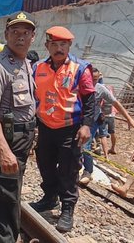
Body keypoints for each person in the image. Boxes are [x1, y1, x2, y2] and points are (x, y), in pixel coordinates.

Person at [0, 12, 37, 243]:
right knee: (7, 200)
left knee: (0, 196)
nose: (20, 37)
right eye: (15, 32)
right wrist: (4, 149)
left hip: (20, 139)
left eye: (25, 33)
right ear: (6, 35)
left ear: (33, 36)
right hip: (6, 139)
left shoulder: (25, 64)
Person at [31, 26, 95, 232]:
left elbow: (90, 100)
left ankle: (68, 208)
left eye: (63, 45)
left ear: (69, 45)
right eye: (54, 45)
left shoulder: (80, 68)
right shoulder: (38, 67)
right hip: (45, 128)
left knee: (68, 170)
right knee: (45, 165)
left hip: (70, 129)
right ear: (47, 45)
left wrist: (87, 126)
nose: (59, 49)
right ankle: (50, 198)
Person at [79, 68, 134, 185]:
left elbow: (116, 103)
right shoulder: (79, 85)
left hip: (92, 121)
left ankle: (88, 172)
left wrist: (129, 118)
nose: (93, 82)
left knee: (86, 146)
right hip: (78, 119)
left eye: (96, 79)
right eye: (91, 79)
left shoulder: (101, 89)